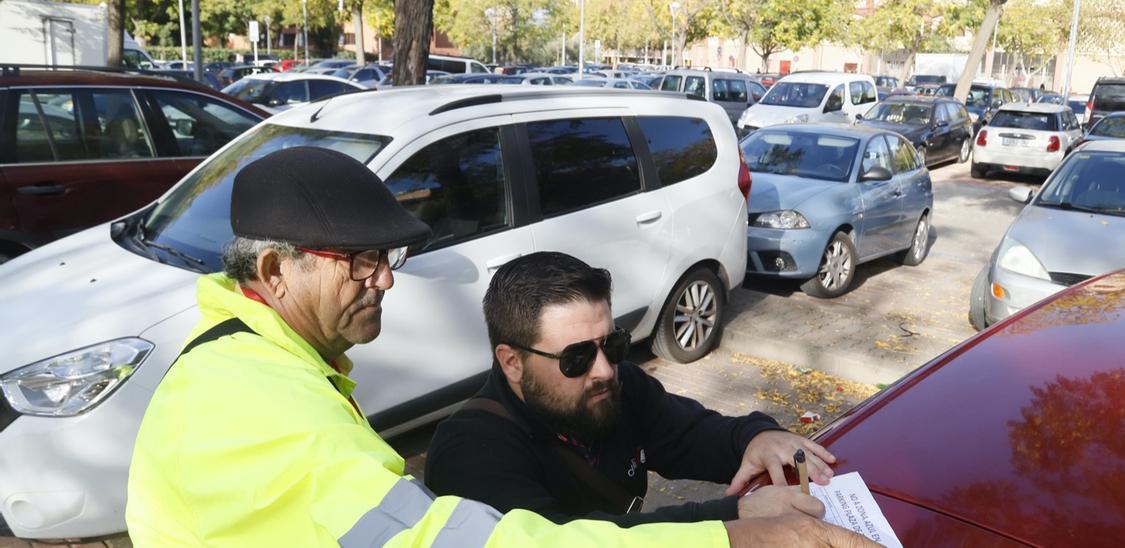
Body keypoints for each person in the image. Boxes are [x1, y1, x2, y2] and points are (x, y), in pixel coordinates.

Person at [125, 147, 873, 547]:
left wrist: (760, 436)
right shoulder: (256, 406)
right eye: (359, 261)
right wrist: (733, 531)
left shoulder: (272, 369)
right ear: (272, 271)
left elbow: (690, 430)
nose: (384, 280)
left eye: (389, 258)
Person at [425, 252, 840, 528]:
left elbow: (687, 435)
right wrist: (734, 517)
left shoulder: (617, 387)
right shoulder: (469, 454)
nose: (605, 370)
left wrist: (755, 438)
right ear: (512, 362)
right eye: (576, 359)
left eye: (612, 343)